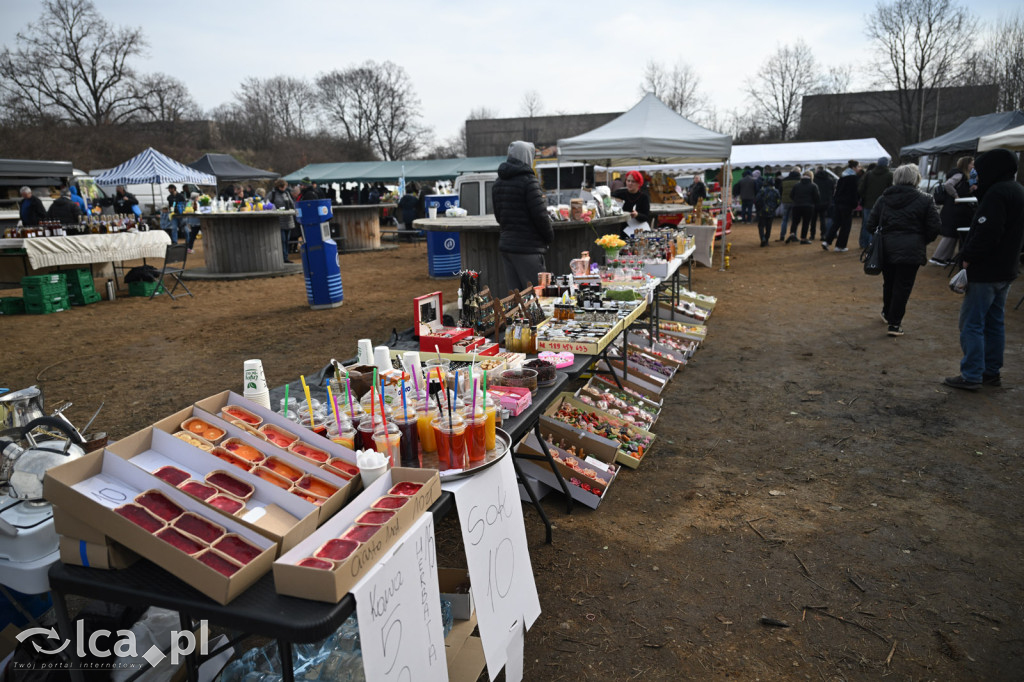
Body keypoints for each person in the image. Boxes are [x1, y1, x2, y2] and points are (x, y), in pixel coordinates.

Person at [943, 149, 1024, 391]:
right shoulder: (1017, 190)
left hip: (986, 271)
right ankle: (990, 371)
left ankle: (971, 374)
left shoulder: (996, 194)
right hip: (1006, 269)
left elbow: (987, 233)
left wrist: (967, 258)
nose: (976, 173)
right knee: (994, 322)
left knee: (972, 323)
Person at [865, 163, 939, 337]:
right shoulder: (926, 199)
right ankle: (895, 323)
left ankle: (887, 312)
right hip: (912, 249)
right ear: (916, 179)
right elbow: (935, 227)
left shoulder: (883, 199)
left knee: (889, 282)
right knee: (903, 286)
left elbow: (870, 225)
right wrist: (921, 240)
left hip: (887, 249)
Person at [492, 140, 553, 291]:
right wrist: (549, 236)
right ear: (527, 157)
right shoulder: (529, 181)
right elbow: (540, 216)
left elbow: (499, 216)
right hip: (528, 248)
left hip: (507, 247)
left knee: (516, 298)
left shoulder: (498, 182)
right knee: (537, 296)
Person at [930, 156, 975, 266]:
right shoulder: (959, 175)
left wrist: (970, 189)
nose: (973, 166)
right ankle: (938, 258)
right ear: (966, 165)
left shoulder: (962, 175)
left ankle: (946, 257)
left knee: (953, 234)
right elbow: (948, 185)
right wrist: (956, 196)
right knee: (950, 235)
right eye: (971, 164)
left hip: (954, 210)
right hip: (953, 210)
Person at [823, 160, 860, 252]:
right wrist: (855, 204)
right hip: (847, 204)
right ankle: (840, 246)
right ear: (854, 167)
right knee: (846, 226)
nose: (859, 169)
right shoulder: (853, 178)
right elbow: (854, 193)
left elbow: (837, 190)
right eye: (858, 167)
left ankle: (827, 241)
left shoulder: (842, 176)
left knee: (836, 223)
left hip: (838, 203)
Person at [858, 156, 893, 250]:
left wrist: (864, 197)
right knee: (878, 225)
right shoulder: (890, 175)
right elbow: (891, 190)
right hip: (882, 205)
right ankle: (872, 244)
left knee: (866, 224)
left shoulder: (869, 174)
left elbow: (861, 189)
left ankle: (863, 243)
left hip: (867, 204)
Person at [612, 170, 651, 235]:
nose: (630, 183)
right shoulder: (620, 193)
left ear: (639, 183)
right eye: (628, 181)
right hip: (622, 230)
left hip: (638, 231)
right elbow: (607, 197)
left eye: (633, 181)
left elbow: (646, 217)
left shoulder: (644, 197)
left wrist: (637, 215)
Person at [268, 179, 296, 261]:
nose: (284, 188)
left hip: (288, 219)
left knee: (287, 240)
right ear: (279, 186)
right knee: (282, 240)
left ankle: (286, 256)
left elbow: (292, 204)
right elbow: (267, 204)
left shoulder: (287, 193)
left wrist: (292, 209)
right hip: (279, 220)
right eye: (283, 187)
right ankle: (283, 257)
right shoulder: (272, 194)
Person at [790, 171, 820, 244]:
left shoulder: (796, 185)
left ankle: (792, 233)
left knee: (795, 221)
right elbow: (817, 197)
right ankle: (803, 239)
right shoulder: (813, 185)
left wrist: (796, 200)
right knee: (806, 223)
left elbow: (791, 195)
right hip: (808, 206)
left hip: (796, 205)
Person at [777, 167, 802, 242]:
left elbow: (780, 191)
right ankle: (794, 235)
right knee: (794, 220)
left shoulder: (784, 180)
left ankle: (782, 236)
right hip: (796, 202)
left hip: (785, 202)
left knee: (785, 219)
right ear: (799, 172)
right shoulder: (800, 180)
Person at [754, 178, 780, 246]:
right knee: (769, 226)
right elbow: (778, 202)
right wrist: (773, 208)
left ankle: (762, 238)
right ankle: (767, 240)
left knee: (761, 226)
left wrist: (758, 209)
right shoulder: (776, 191)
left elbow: (756, 200)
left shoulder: (762, 190)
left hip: (762, 211)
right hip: (771, 211)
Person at [812, 166, 835, 241]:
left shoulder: (814, 180)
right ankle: (823, 235)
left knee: (813, 220)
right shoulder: (829, 180)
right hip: (825, 203)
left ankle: (812, 235)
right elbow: (832, 191)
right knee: (823, 219)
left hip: (815, 202)